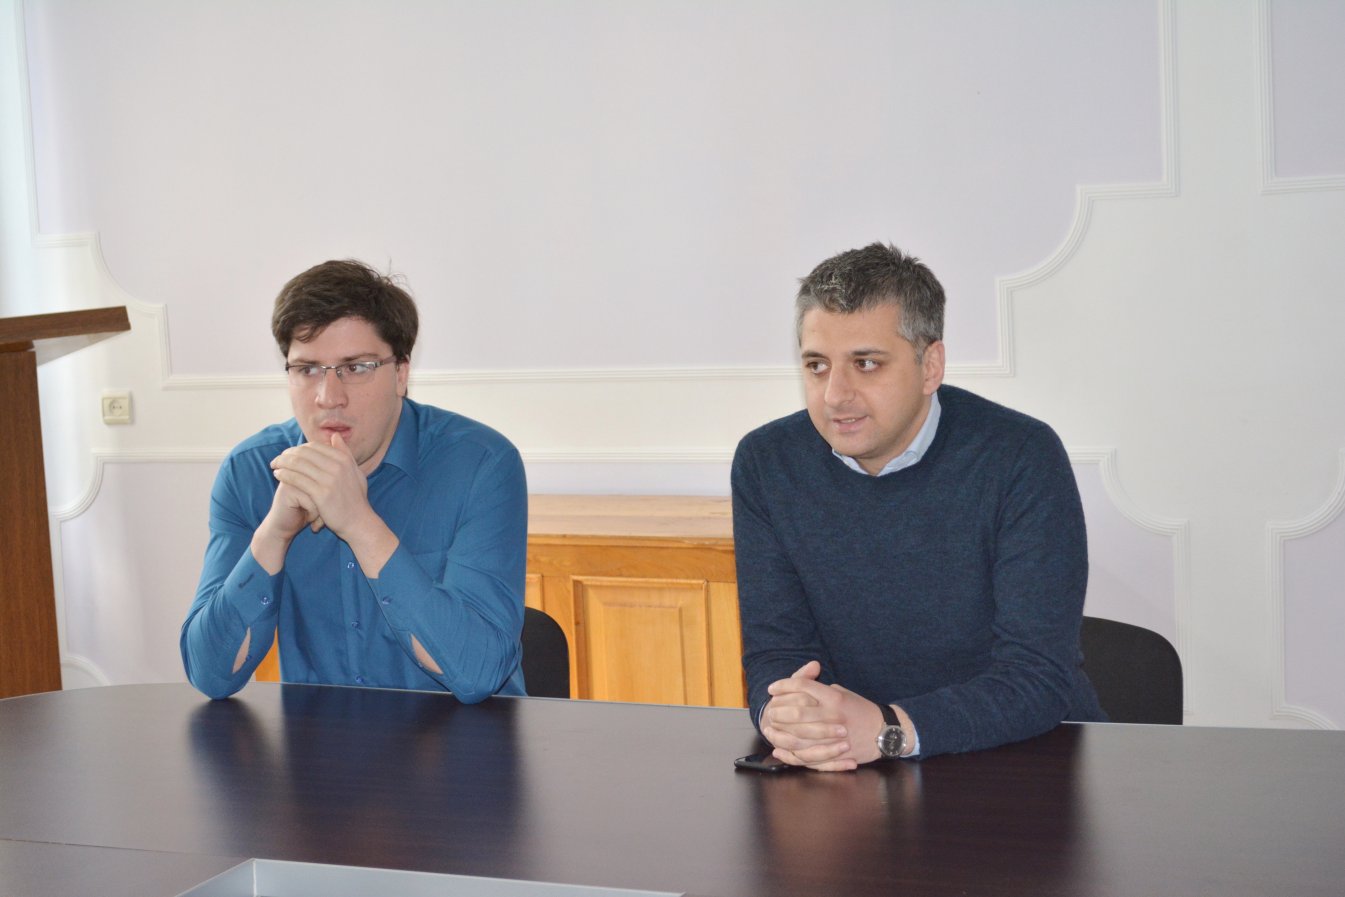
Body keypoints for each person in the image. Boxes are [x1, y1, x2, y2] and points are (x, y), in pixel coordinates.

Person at [732, 242, 1104, 768]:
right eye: (817, 365)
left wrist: (890, 730)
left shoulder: (1021, 456)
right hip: (847, 763)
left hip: (1024, 763)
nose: (835, 394)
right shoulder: (767, 463)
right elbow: (777, 654)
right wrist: (783, 715)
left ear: (930, 366)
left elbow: (1038, 678)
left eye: (866, 363)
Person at [181, 259, 527, 702]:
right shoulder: (251, 471)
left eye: (356, 367)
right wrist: (274, 534)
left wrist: (360, 524)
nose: (329, 397)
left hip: (466, 737)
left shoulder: (481, 465)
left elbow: (478, 672)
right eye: (307, 369)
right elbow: (210, 675)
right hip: (319, 742)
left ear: (401, 373)